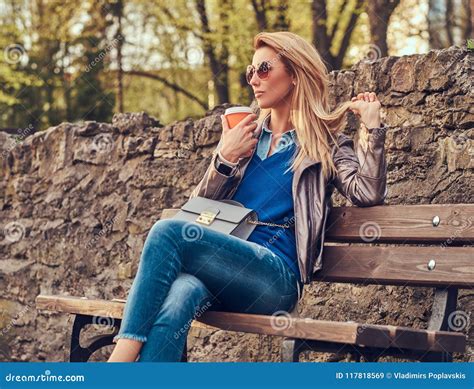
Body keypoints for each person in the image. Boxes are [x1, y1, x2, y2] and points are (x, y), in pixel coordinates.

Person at [108, 31, 387, 362]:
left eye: (264, 69)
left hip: (274, 280)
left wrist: (371, 130)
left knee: (165, 231)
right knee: (181, 294)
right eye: (250, 71)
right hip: (224, 268)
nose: (254, 79)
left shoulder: (326, 143)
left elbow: (366, 191)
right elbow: (197, 210)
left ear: (295, 74)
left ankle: (120, 360)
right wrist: (224, 160)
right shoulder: (245, 135)